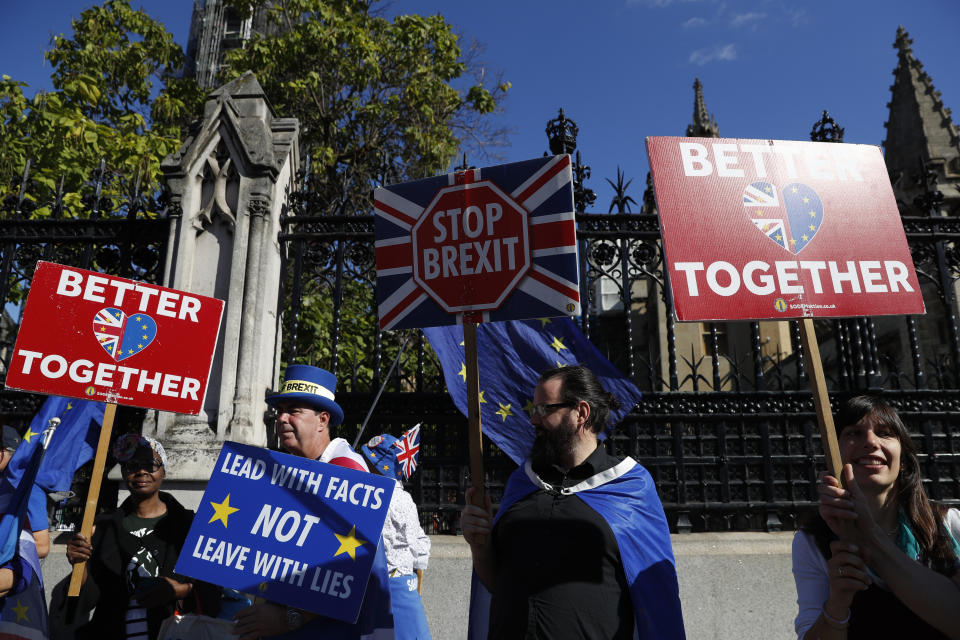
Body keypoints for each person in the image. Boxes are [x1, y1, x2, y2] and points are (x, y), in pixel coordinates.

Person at [461, 365, 685, 639]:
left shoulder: (628, 487)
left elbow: (655, 595)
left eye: (544, 409)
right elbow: (497, 581)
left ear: (581, 413)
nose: (533, 420)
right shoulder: (523, 482)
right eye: (533, 409)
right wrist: (479, 546)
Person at [232, 364, 393, 640]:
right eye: (280, 410)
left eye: (294, 410)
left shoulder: (346, 472)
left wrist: (288, 619)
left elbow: (350, 575)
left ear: (322, 420)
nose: (281, 418)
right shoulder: (297, 470)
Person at [792, 395, 960, 639]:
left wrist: (868, 537)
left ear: (903, 460)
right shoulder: (813, 542)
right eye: (853, 433)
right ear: (832, 455)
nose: (871, 442)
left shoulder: (950, 524)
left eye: (885, 433)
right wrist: (837, 606)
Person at [64, 434, 212, 640]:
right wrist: (78, 565)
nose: (141, 471)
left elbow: (213, 592)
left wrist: (179, 591)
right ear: (124, 472)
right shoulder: (101, 526)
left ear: (164, 471)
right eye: (132, 465)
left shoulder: (189, 524)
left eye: (150, 464)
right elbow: (87, 601)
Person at [362, 426, 432, 640]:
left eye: (368, 462)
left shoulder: (380, 497)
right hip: (403, 581)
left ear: (379, 468)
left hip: (391, 585)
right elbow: (420, 546)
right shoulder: (403, 497)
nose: (363, 465)